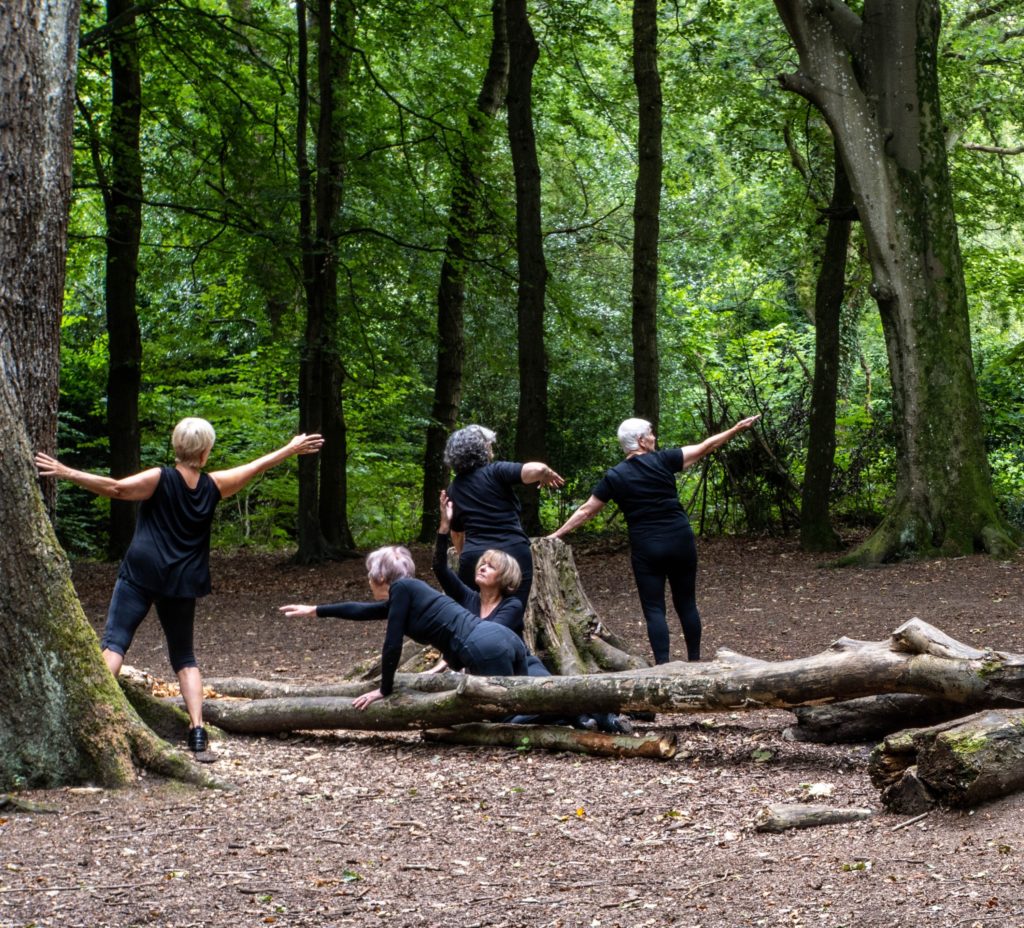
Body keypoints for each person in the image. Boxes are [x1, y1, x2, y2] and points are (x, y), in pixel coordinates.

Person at [35, 419, 324, 755]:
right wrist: (290, 449)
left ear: (176, 446)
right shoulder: (213, 485)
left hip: (141, 572)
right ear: (205, 452)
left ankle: (88, 719)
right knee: (184, 657)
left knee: (114, 643)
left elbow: (117, 489)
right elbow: (256, 466)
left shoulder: (160, 478)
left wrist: (67, 472)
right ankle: (197, 731)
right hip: (182, 579)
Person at [548, 415, 760, 665]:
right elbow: (707, 446)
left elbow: (586, 510)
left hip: (647, 547)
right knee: (686, 603)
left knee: (654, 609)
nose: (654, 437)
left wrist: (556, 534)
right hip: (680, 540)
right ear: (640, 440)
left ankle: (663, 667)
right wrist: (735, 429)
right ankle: (694, 663)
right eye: (650, 433)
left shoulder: (615, 476)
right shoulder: (664, 460)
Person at [434, 492, 630, 733]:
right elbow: (440, 568)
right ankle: (574, 719)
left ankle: (606, 719)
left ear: (504, 578)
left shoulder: (512, 605)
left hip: (523, 668)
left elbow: (489, 635)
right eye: (482, 563)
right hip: (487, 678)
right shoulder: (468, 597)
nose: (482, 567)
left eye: (491, 566)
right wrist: (445, 527)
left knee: (552, 693)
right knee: (509, 720)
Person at [279, 545, 529, 710]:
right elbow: (363, 610)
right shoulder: (410, 593)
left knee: (503, 711)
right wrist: (315, 610)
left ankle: (562, 719)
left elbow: (392, 643)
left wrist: (384, 689)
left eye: (369, 574)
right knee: (527, 699)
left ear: (379, 577)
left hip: (483, 645)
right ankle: (562, 716)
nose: (368, 580)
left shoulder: (403, 589)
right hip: (504, 640)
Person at [444, 424, 564, 608]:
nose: (491, 449)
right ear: (482, 449)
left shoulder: (454, 488)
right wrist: (546, 473)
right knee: (511, 614)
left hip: (475, 558)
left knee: (474, 616)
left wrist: (466, 557)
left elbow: (457, 534)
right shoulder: (496, 472)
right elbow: (538, 469)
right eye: (489, 445)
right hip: (512, 554)